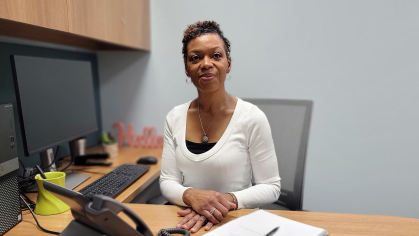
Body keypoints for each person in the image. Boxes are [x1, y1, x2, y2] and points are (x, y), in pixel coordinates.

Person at [159, 21, 281, 233]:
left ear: (229, 63)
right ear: (187, 69)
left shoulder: (252, 118)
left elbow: (271, 187)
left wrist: (223, 201)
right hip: (187, 220)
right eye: (195, 58)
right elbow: (168, 180)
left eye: (216, 55)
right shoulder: (174, 117)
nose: (206, 63)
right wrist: (192, 196)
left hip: (235, 219)